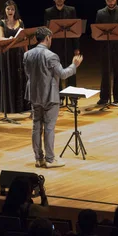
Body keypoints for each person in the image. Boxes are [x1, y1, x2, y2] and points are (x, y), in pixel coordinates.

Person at [24, 27, 83, 168]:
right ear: (48, 38)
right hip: (49, 96)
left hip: (34, 94)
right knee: (49, 128)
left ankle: (39, 159)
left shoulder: (27, 55)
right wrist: (74, 65)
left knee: (36, 127)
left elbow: (28, 73)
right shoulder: (51, 56)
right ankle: (50, 159)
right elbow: (63, 74)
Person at [44, 0, 81, 106]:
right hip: (55, 46)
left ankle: (73, 97)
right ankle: (59, 97)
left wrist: (76, 47)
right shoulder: (48, 12)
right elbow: (46, 30)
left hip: (69, 45)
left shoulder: (71, 10)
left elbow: (75, 31)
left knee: (71, 70)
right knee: (56, 72)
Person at [0, 0, 28, 114]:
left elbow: (24, 40)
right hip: (6, 54)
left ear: (15, 10)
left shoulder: (20, 22)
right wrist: (10, 40)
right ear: (5, 10)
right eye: (8, 9)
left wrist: (26, 54)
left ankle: (20, 106)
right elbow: (1, 38)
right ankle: (8, 106)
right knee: (7, 77)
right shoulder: (1, 23)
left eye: (12, 9)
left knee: (19, 77)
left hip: (18, 53)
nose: (10, 11)